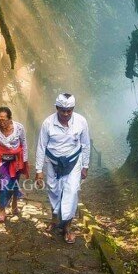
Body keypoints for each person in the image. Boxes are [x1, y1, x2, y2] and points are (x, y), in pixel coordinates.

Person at [35, 93, 90, 244]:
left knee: (71, 193)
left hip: (73, 162)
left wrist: (85, 165)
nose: (66, 114)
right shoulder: (48, 123)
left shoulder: (81, 121)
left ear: (73, 109)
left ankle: (68, 227)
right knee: (54, 191)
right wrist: (39, 171)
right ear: (57, 108)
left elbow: (85, 144)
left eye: (69, 110)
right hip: (53, 162)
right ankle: (54, 220)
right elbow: (41, 146)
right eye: (62, 110)